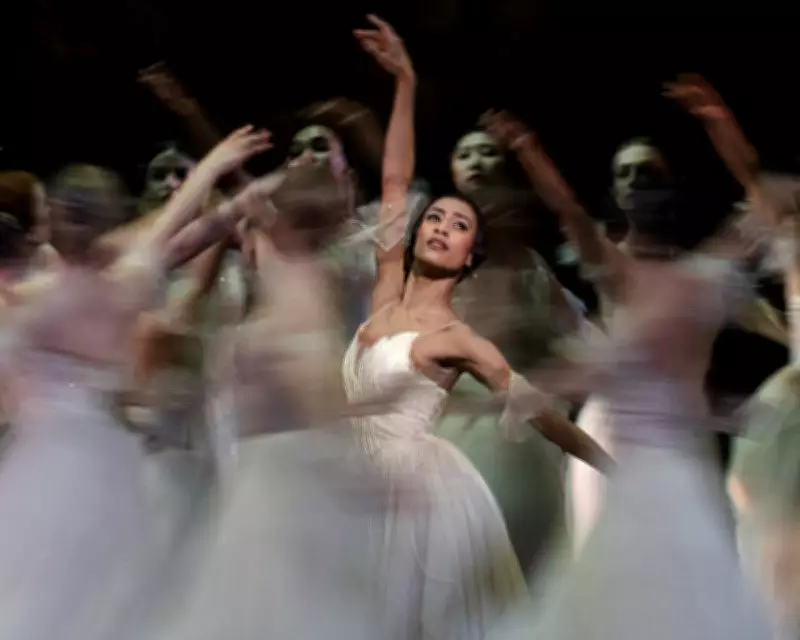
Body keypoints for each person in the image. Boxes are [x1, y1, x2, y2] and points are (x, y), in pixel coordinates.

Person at [344, 16, 611, 638]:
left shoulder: (456, 339)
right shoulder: (385, 292)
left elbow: (542, 413)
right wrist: (406, 82)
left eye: (458, 225)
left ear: (470, 256)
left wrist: (615, 469)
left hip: (416, 503)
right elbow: (393, 179)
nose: (440, 226)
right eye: (434, 217)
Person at [0, 126, 271, 640]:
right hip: (112, 463)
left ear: (51, 223)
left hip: (45, 463)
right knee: (103, 595)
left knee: (36, 595)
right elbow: (167, 232)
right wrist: (217, 177)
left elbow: (163, 232)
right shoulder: (127, 284)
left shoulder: (36, 299)